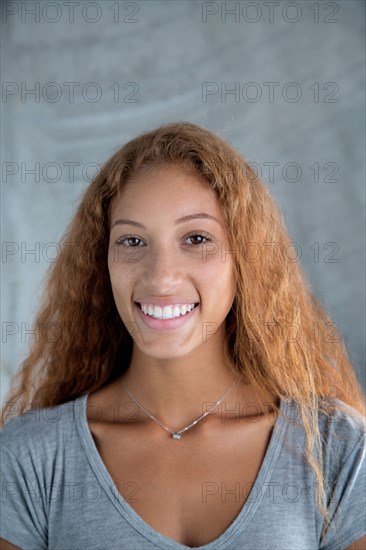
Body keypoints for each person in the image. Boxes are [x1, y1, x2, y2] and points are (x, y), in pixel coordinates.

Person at [1, 121, 365, 550]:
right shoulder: (31, 458)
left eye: (196, 238)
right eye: (133, 241)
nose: (161, 277)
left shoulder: (335, 450)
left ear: (245, 259)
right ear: (104, 264)